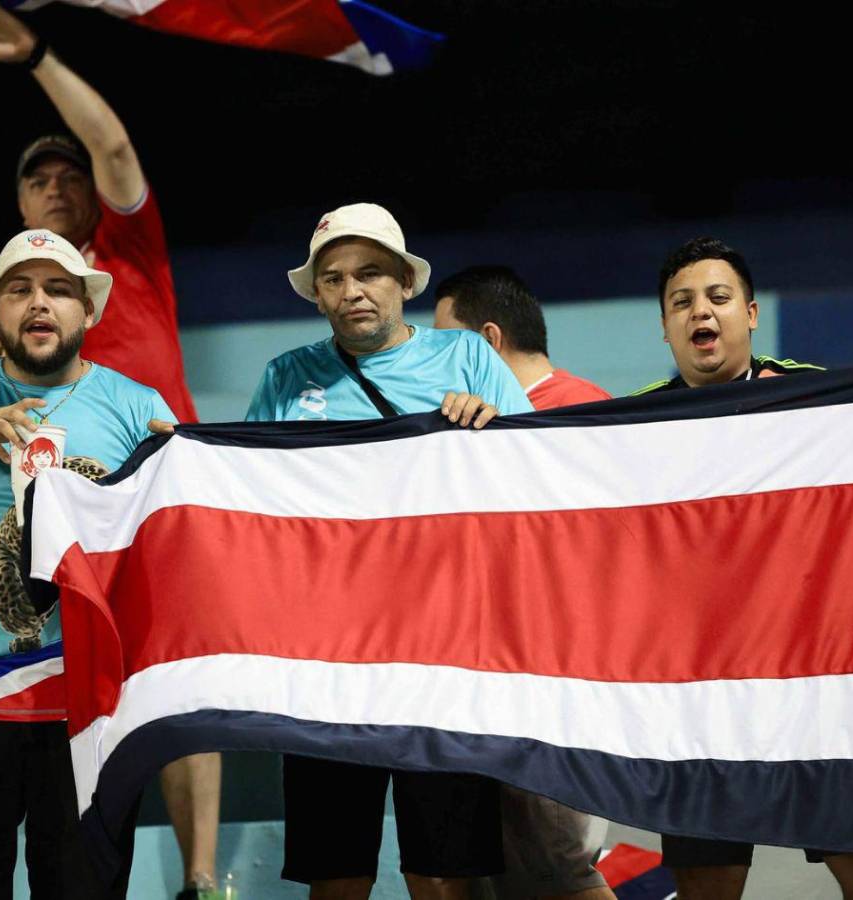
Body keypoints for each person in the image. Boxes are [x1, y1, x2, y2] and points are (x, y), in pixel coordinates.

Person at [0, 7, 216, 894]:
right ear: (21, 206)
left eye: (69, 174)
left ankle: (202, 880)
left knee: (181, 682)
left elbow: (112, 147)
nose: (60, 184)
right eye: (39, 179)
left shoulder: (130, 255)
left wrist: (34, 52)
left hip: (152, 495)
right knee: (63, 683)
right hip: (53, 518)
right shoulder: (4, 328)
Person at [244, 202, 533, 900]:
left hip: (445, 657)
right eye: (334, 278)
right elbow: (242, 506)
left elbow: (533, 479)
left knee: (443, 872)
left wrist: (493, 427)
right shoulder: (286, 377)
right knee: (335, 873)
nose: (352, 291)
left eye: (370, 272)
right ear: (318, 294)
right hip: (326, 667)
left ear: (405, 281)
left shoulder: (465, 356)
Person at [634, 236, 853, 900]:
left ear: (751, 315)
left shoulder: (817, 398)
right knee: (709, 884)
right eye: (683, 303)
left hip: (816, 688)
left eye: (718, 297)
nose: (701, 312)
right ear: (666, 328)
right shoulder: (635, 423)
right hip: (703, 700)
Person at [0, 229, 174, 899]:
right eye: (19, 290)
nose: (39, 303)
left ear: (88, 313)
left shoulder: (139, 408)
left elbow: (174, 554)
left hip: (90, 709)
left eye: (59, 289)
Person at [429, 264, 612, 900]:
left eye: (443, 344)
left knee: (560, 875)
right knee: (470, 880)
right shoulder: (467, 423)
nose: (430, 359)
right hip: (478, 689)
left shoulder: (579, 414)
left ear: (484, 341)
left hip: (548, 697)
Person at [434, 266, 611, 410]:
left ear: (489, 340)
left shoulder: (580, 403)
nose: (439, 360)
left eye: (447, 344)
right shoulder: (485, 415)